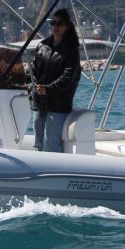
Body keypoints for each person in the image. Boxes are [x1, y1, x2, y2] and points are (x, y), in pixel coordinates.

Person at [29, 8, 81, 152]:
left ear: (67, 26)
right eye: (53, 23)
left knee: (51, 144)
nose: (55, 27)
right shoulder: (42, 45)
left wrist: (48, 89)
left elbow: (68, 78)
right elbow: (33, 68)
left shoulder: (72, 51)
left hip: (58, 105)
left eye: (60, 23)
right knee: (37, 144)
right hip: (40, 101)